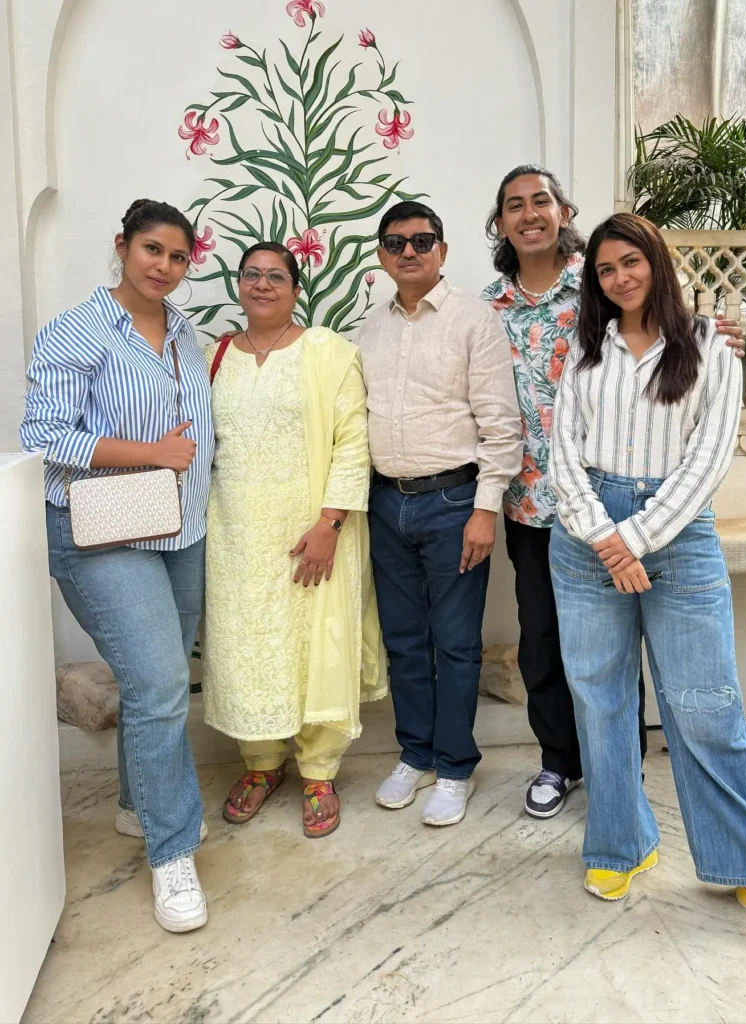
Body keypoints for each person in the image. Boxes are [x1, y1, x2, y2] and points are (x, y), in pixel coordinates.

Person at [548, 211, 746, 957]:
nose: (619, 278)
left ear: (656, 262)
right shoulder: (583, 352)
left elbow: (706, 461)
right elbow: (560, 453)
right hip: (583, 541)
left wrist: (633, 537)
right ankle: (618, 845)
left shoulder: (710, 349)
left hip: (676, 537)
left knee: (704, 708)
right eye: (604, 270)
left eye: (629, 262)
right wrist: (605, 538)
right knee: (600, 704)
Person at [482, 165, 745, 820]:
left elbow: (661, 325)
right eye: (513, 205)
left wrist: (706, 330)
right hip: (534, 503)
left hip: (623, 505)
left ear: (562, 211)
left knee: (625, 662)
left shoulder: (598, 287)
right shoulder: (487, 308)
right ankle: (557, 763)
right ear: (500, 223)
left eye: (540, 200)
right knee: (544, 645)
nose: (528, 213)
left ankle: (618, 773)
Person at [20, 200, 214, 933]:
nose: (162, 267)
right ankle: (172, 855)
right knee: (162, 685)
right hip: (102, 532)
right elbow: (43, 434)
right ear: (122, 247)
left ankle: (138, 808)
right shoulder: (75, 331)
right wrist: (150, 454)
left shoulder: (185, 332)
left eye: (176, 257)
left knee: (153, 684)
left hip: (181, 529)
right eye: (151, 250)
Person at [202, 242, 385, 838]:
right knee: (247, 646)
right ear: (238, 284)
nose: (261, 285)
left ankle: (319, 771)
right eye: (250, 274)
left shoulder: (329, 353)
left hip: (313, 532)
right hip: (235, 534)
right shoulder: (215, 356)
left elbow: (352, 443)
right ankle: (259, 766)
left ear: (295, 287)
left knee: (314, 644)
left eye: (275, 276)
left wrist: (330, 524)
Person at [358, 201, 522, 827]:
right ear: (382, 255)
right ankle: (415, 752)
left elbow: (501, 426)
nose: (409, 251)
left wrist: (485, 511)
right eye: (396, 243)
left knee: (455, 645)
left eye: (422, 241)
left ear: (443, 251)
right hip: (386, 501)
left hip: (455, 502)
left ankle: (454, 766)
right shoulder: (371, 327)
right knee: (403, 641)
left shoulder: (473, 320)